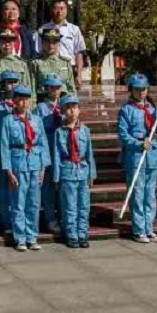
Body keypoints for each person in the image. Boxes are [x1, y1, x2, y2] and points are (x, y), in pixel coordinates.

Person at [117, 73, 157, 244]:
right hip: (135, 156)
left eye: (144, 89)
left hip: (152, 155)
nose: (141, 93)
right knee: (137, 193)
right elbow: (123, 134)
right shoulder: (126, 109)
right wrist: (138, 143)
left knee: (150, 193)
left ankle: (149, 227)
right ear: (131, 90)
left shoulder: (152, 109)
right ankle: (138, 229)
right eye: (137, 90)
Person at [0, 84, 49, 251]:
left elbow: (43, 144)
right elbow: (5, 146)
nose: (23, 102)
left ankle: (32, 236)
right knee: (18, 202)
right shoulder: (8, 120)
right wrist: (8, 171)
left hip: (35, 163)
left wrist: (43, 168)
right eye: (19, 99)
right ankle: (20, 237)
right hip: (17, 164)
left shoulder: (36, 120)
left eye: (26, 99)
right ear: (14, 101)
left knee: (34, 203)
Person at [53, 94, 96, 248]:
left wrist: (92, 173)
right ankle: (71, 234)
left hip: (83, 170)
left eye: (75, 107)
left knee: (84, 205)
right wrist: (57, 177)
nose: (72, 111)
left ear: (79, 110)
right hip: (67, 171)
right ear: (63, 111)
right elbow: (57, 155)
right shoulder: (59, 132)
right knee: (69, 205)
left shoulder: (84, 130)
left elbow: (89, 153)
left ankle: (82, 233)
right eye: (68, 108)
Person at [0, 71, 19, 234]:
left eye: (14, 81)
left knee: (19, 190)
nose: (12, 85)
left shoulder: (23, 104)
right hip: (1, 153)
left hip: (19, 154)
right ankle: (7, 223)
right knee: (3, 191)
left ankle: (19, 223)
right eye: (8, 82)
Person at [37, 73, 65, 234]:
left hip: (61, 150)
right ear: (46, 88)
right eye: (51, 87)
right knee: (47, 186)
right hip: (47, 147)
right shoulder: (40, 108)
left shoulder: (65, 105)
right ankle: (50, 218)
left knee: (61, 184)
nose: (55, 90)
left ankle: (64, 216)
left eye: (57, 87)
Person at [0, 29, 34, 98]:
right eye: (3, 41)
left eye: (10, 41)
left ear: (14, 43)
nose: (7, 44)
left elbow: (27, 87)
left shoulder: (22, 64)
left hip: (17, 102)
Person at [31, 27, 77, 97]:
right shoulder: (35, 63)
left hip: (63, 103)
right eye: (47, 41)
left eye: (54, 42)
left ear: (58, 43)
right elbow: (32, 90)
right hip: (43, 103)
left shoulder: (65, 62)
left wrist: (73, 105)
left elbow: (71, 89)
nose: (51, 45)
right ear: (42, 42)